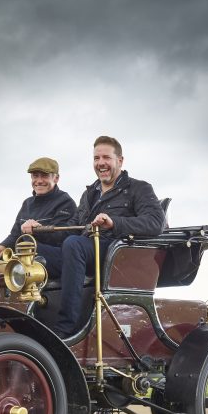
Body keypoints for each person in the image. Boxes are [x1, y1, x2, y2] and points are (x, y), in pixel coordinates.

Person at [53, 135, 165, 338]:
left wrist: (114, 222)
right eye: (96, 158)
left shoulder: (139, 188)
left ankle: (65, 329)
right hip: (81, 251)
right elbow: (71, 229)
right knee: (32, 250)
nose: (100, 163)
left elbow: (156, 223)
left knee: (73, 245)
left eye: (106, 157)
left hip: (114, 256)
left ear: (120, 161)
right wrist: (38, 230)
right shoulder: (89, 194)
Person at [0, 157, 77, 276]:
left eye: (44, 176)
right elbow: (15, 234)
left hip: (44, 262)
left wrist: (37, 229)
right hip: (22, 258)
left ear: (56, 178)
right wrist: (1, 246)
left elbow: (62, 237)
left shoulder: (65, 202)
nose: (39, 180)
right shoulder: (27, 204)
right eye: (35, 176)